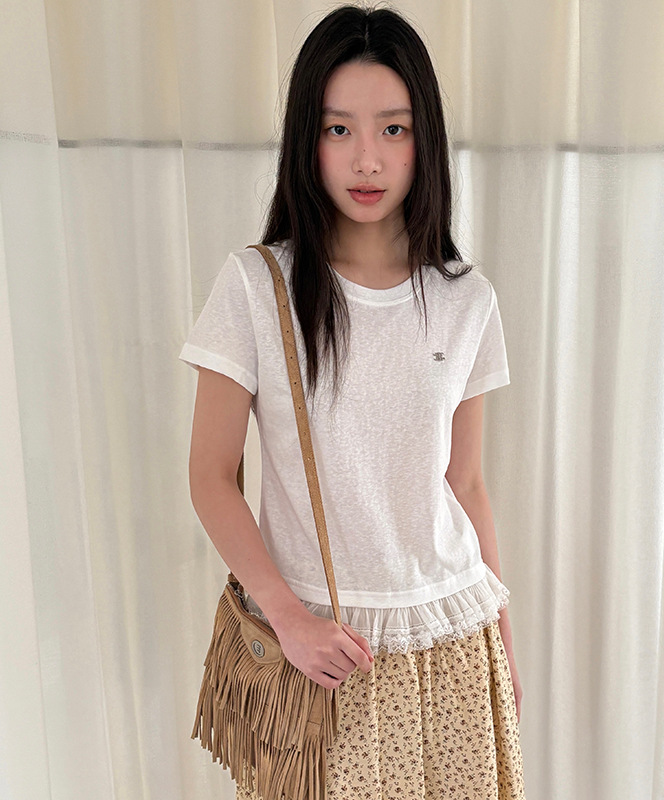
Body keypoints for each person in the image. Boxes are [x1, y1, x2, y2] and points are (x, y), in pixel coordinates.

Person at [179, 4, 526, 798]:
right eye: (338, 129)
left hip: (454, 640)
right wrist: (288, 620)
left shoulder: (466, 298)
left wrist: (503, 647)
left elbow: (466, 483)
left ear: (424, 140)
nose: (367, 159)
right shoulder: (257, 287)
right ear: (307, 139)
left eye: (393, 129)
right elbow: (210, 476)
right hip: (324, 652)